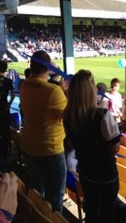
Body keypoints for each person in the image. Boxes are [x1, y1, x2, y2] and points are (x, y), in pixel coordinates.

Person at [64, 69, 122, 223]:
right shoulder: (102, 115)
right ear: (90, 91)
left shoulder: (68, 116)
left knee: (91, 209)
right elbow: (114, 148)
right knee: (107, 214)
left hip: (85, 172)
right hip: (105, 176)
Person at [19, 50, 67, 212]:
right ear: (48, 67)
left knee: (37, 192)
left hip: (29, 146)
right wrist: (64, 90)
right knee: (55, 198)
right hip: (50, 150)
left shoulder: (24, 85)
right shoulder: (53, 91)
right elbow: (67, 115)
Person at [0, 61, 15, 162]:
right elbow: (13, 94)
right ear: (5, 69)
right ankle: (4, 155)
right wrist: (9, 104)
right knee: (5, 133)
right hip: (4, 110)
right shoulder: (8, 81)